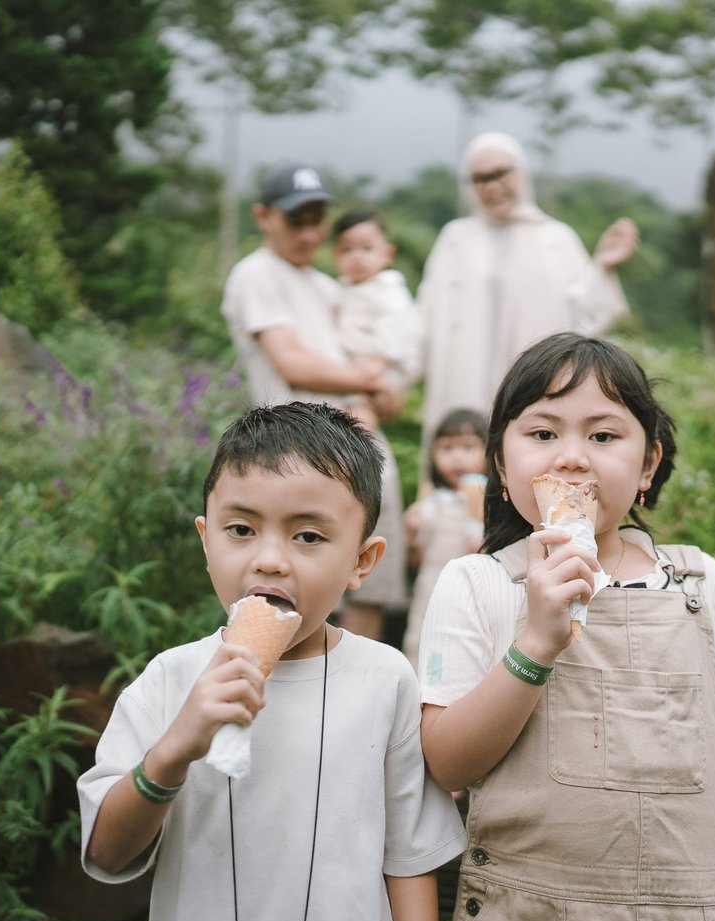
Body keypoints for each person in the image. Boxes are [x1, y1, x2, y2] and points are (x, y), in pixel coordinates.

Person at [418, 333, 715, 921]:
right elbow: (447, 765)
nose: (572, 458)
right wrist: (536, 641)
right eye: (542, 434)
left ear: (647, 466)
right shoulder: (477, 583)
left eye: (604, 436)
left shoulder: (706, 587)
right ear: (503, 469)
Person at [78, 402, 467, 921]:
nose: (269, 560)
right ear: (206, 539)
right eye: (240, 529)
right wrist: (172, 753)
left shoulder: (385, 680)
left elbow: (409, 856)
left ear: (362, 561)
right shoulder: (170, 680)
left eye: (308, 537)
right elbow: (108, 854)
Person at [221, 163, 408, 643]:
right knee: (292, 585)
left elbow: (378, 373)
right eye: (295, 219)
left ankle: (354, 694)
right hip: (297, 455)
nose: (308, 232)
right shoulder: (256, 274)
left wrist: (380, 389)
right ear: (263, 216)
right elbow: (293, 364)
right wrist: (368, 381)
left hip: (362, 449)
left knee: (367, 584)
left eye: (316, 219)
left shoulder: (327, 286)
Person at [415, 131, 641, 450]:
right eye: (480, 178)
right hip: (463, 390)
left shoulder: (555, 238)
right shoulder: (455, 239)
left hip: (535, 388)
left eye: (501, 173)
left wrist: (603, 267)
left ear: (521, 173)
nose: (493, 186)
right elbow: (424, 319)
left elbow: (583, 319)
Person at [402, 407, 488, 668]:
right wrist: (412, 533)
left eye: (468, 447)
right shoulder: (431, 501)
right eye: (447, 449)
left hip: (473, 590)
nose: (457, 457)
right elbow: (415, 560)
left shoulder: (492, 500)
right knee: (421, 638)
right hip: (431, 584)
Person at [331, 208, 420, 433]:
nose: (357, 257)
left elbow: (398, 327)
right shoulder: (342, 288)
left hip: (384, 365)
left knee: (360, 411)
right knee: (352, 408)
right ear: (335, 256)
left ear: (387, 254)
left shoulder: (388, 288)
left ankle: (357, 448)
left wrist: (380, 361)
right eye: (347, 250)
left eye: (366, 248)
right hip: (357, 365)